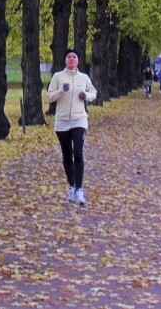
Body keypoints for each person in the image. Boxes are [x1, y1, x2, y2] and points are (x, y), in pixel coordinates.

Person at [46, 48, 97, 205]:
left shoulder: (84, 77)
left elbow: (94, 93)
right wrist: (61, 90)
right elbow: (49, 97)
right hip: (62, 121)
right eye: (69, 57)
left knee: (78, 152)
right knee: (67, 154)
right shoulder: (58, 77)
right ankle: (72, 186)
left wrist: (86, 96)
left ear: (78, 61)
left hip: (79, 119)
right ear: (65, 60)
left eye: (74, 57)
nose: (72, 59)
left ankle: (79, 190)